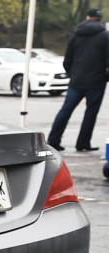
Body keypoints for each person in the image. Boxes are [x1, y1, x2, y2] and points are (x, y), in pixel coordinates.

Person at [47, 8, 109, 152]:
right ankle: (83, 143)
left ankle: (53, 140)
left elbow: (67, 60)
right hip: (96, 82)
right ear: (99, 19)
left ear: (87, 17)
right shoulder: (105, 36)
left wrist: (73, 74)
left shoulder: (75, 35)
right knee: (90, 113)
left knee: (65, 110)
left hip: (76, 81)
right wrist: (105, 78)